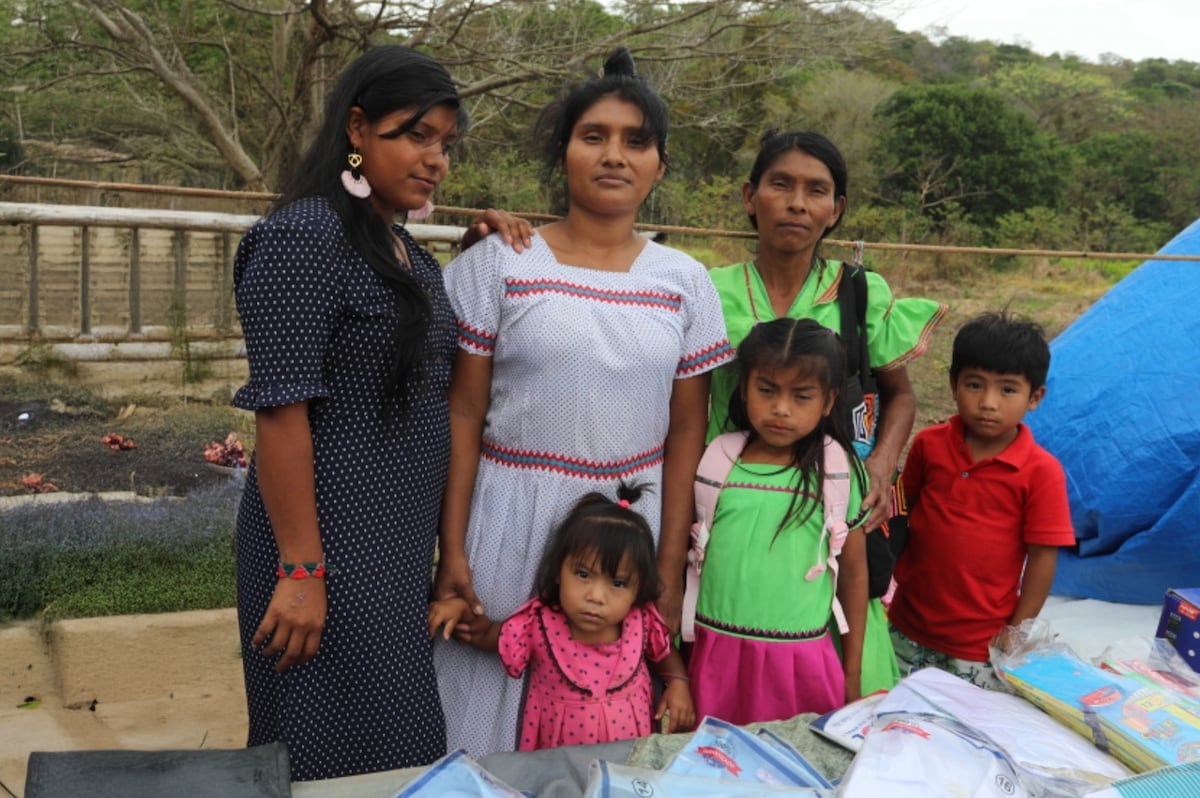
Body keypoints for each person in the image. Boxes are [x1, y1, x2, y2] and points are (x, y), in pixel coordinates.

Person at [231, 45, 531, 781]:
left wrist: (475, 256)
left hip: (390, 550)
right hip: (326, 546)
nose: (436, 160)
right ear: (357, 130)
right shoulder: (301, 239)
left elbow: (413, 360)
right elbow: (280, 413)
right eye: (415, 135)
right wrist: (301, 569)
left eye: (446, 144)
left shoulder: (406, 252)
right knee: (328, 751)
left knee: (389, 754)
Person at [433, 46, 733, 755]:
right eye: (592, 136)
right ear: (562, 153)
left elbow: (686, 432)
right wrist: (453, 550)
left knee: (604, 708)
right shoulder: (501, 261)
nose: (614, 156)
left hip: (630, 523)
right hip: (509, 518)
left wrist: (665, 558)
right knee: (486, 695)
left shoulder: (685, 281)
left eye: (637, 141)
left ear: (660, 165)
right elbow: (464, 416)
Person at [705, 130, 946, 695]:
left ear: (836, 210)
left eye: (817, 191)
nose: (796, 203)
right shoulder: (707, 291)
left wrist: (883, 466)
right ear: (749, 195)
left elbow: (901, 393)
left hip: (830, 506)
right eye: (780, 184)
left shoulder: (858, 295)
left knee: (837, 655)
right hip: (730, 504)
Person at [685, 318, 869, 723]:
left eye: (801, 396)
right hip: (716, 657)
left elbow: (854, 574)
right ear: (744, 388)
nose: (781, 408)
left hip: (800, 663)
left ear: (827, 401)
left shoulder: (837, 471)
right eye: (766, 390)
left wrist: (851, 675)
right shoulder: (716, 461)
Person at [429, 484, 696, 751]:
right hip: (559, 766)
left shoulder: (641, 623)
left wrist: (678, 683)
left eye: (618, 583)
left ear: (638, 587)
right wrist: (461, 610)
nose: (596, 596)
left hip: (626, 763)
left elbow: (664, 653)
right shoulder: (539, 625)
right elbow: (484, 633)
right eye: (583, 575)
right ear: (558, 571)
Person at [887, 312, 1075, 690]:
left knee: (962, 733)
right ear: (954, 384)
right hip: (905, 625)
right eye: (975, 385)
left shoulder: (1041, 472)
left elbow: (1042, 558)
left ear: (1035, 397)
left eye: (1007, 390)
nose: (988, 402)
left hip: (978, 645)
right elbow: (901, 517)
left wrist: (1016, 632)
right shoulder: (929, 445)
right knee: (894, 716)